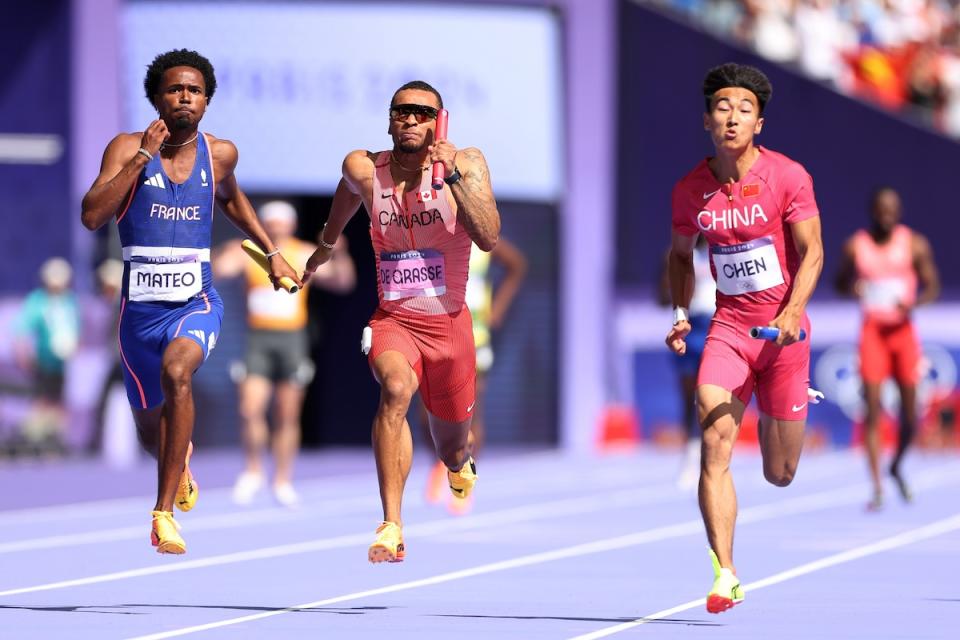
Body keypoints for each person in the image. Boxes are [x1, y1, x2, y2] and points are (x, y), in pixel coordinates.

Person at [80, 49, 301, 554]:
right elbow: (93, 215)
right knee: (149, 436)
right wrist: (140, 159)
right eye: (176, 89)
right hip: (138, 315)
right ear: (157, 97)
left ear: (206, 102)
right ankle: (178, 461)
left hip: (194, 302)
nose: (185, 97)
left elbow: (231, 198)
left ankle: (162, 515)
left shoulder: (219, 153)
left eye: (195, 90)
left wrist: (274, 254)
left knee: (178, 373)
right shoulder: (126, 148)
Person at [303, 80, 501, 563]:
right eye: (400, 112)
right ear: (390, 120)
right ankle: (391, 524)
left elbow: (490, 237)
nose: (410, 119)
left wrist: (452, 177)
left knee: (452, 446)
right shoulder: (365, 167)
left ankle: (458, 465)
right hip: (395, 319)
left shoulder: (467, 163)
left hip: (451, 327)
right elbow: (348, 192)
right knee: (394, 390)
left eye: (421, 112)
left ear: (439, 121)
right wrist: (326, 247)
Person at [666, 63, 823, 613]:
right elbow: (679, 256)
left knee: (780, 474)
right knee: (714, 442)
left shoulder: (788, 176)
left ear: (759, 122)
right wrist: (682, 311)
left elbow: (813, 253)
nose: (732, 118)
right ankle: (724, 572)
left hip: (784, 335)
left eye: (744, 110)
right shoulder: (690, 191)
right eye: (723, 109)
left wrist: (792, 312)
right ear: (707, 120)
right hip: (730, 330)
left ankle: (794, 405)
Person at [212, 200, 355, 507]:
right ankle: (253, 471)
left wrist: (339, 252)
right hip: (258, 339)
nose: (276, 227)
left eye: (281, 222)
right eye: (271, 222)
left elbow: (343, 282)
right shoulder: (249, 252)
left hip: (292, 339)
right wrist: (223, 252)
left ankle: (282, 479)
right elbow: (218, 270)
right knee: (250, 409)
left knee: (287, 414)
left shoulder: (303, 253)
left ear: (290, 225)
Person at [834, 187, 940, 511]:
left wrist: (913, 304)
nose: (886, 214)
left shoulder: (914, 244)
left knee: (909, 416)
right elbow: (838, 283)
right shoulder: (856, 245)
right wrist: (852, 287)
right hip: (872, 333)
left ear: (899, 211)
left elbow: (932, 285)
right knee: (873, 411)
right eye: (881, 208)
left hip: (903, 333)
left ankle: (896, 465)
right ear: (872, 211)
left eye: (892, 208)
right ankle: (877, 486)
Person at [423, 237, 527, 513]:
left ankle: (463, 481)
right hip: (436, 331)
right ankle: (442, 462)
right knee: (427, 410)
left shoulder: (479, 238)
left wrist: (498, 309)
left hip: (474, 334)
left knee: (471, 411)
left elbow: (517, 265)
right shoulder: (430, 232)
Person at [659, 234, 716, 490]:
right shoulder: (679, 252)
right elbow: (661, 297)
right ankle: (690, 457)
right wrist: (671, 276)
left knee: (711, 395)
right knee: (687, 398)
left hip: (716, 325)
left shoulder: (723, 248)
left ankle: (711, 456)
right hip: (688, 328)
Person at [14, 257, 80, 455]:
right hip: (42, 359)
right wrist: (23, 352)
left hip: (63, 362)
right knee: (41, 399)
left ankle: (55, 438)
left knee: (59, 399)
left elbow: (76, 328)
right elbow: (22, 329)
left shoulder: (70, 301)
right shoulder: (38, 300)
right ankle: (36, 439)